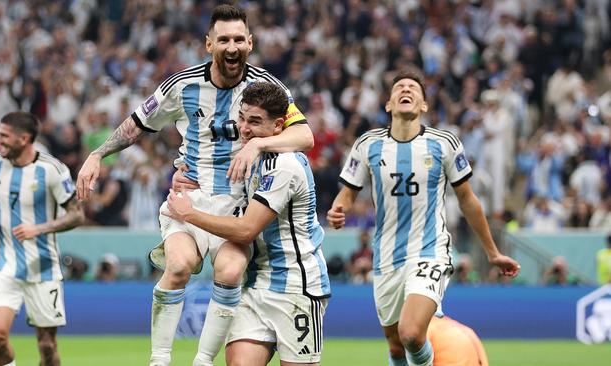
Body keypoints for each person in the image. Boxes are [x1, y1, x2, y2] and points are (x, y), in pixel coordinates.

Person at [75, 5, 313, 366]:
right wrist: (97, 154)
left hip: (236, 203)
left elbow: (304, 133)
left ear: (250, 42)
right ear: (208, 44)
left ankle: (202, 361)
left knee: (231, 271)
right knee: (179, 267)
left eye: (238, 39)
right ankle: (159, 360)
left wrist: (257, 143)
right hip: (190, 195)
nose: (231, 47)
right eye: (223, 40)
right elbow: (137, 123)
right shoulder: (182, 85)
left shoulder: (265, 87)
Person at [326, 68, 520, 366]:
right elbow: (349, 193)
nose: (406, 90)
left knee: (412, 334)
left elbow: (468, 200)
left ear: (424, 105)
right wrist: (340, 208)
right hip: (387, 257)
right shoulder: (368, 145)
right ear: (389, 104)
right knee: (396, 347)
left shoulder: (444, 143)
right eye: (399, 87)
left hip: (429, 251)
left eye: (413, 88)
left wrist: (492, 252)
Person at [163, 82, 330, 366]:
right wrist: (186, 179)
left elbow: (246, 230)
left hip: (296, 288)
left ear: (278, 126)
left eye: (255, 122)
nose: (244, 128)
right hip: (254, 284)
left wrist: (188, 214)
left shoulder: (286, 165)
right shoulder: (250, 157)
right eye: (242, 118)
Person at [0, 111, 85, 366]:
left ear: (24, 139)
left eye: (4, 136)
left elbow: (76, 215)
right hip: (5, 266)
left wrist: (38, 229)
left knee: (47, 347)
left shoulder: (52, 169)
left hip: (43, 270)